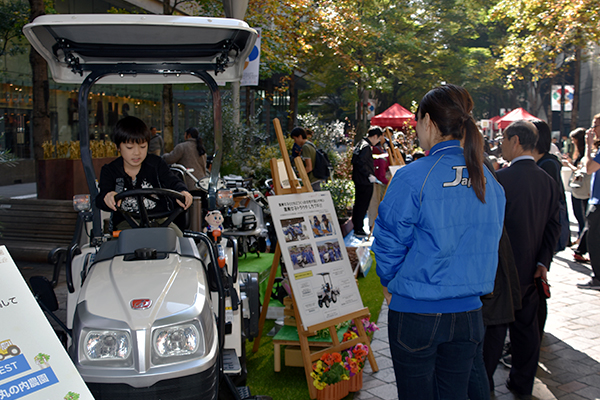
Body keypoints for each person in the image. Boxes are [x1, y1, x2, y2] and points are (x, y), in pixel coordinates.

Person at [373, 84, 506, 399]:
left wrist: (388, 281)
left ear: (429, 122)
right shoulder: (488, 179)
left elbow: (388, 241)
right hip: (469, 315)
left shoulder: (412, 176)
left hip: (417, 311)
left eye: (418, 121)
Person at [487, 120, 560, 397]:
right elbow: (554, 226)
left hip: (500, 272)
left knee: (493, 335)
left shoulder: (500, 180)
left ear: (515, 140)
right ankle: (522, 383)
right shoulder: (549, 182)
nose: (501, 145)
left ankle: (485, 384)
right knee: (527, 333)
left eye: (504, 139)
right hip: (532, 270)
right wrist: (543, 263)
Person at [96, 116, 193, 235]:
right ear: (118, 147)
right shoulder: (110, 170)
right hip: (127, 223)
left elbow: (173, 181)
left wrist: (183, 191)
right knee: (123, 245)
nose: (137, 153)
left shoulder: (156, 164)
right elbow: (100, 200)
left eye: (143, 147)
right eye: (129, 147)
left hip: (161, 221)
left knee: (178, 239)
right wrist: (108, 196)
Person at [576, 113, 600, 289]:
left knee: (595, 241)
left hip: (598, 203)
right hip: (596, 200)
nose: (591, 130)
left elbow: (589, 168)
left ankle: (597, 278)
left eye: (595, 126)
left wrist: (587, 145)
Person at [563, 128, 591, 256]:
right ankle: (581, 242)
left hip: (584, 190)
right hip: (578, 189)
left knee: (583, 217)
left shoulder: (587, 153)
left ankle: (581, 245)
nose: (572, 142)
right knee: (580, 216)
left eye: (574, 140)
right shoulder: (581, 152)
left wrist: (569, 165)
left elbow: (585, 170)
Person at [351, 127, 383, 237]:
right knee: (362, 205)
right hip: (364, 180)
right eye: (378, 139)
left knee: (359, 204)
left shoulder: (361, 143)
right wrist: (369, 175)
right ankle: (358, 228)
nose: (378, 142)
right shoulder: (366, 147)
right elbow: (361, 162)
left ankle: (357, 227)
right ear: (375, 136)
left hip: (359, 179)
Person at [162, 127, 208, 191]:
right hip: (202, 184)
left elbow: (170, 159)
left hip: (189, 184)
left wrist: (163, 156)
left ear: (188, 135)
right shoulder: (201, 148)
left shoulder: (182, 147)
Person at [290, 126, 321, 191]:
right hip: (316, 178)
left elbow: (309, 167)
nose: (295, 142)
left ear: (300, 136)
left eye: (295, 139)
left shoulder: (305, 147)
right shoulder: (310, 145)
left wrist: (299, 174)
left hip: (312, 180)